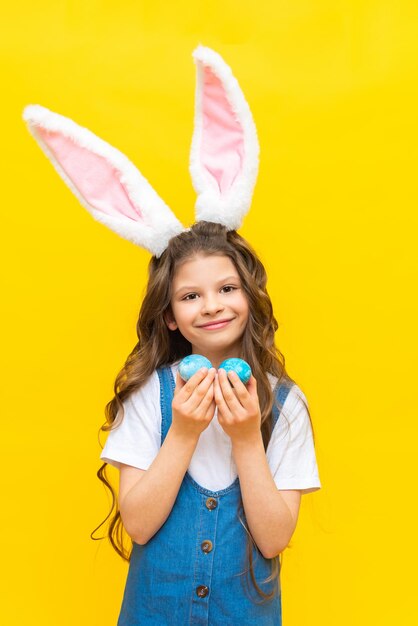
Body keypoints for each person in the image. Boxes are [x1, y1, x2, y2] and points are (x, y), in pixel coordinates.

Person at [23, 45, 321, 625]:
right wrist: (184, 429)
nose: (212, 305)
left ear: (251, 294)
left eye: (226, 288)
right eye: (190, 296)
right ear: (169, 315)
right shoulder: (148, 398)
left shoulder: (286, 405)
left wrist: (243, 438)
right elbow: (138, 523)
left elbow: (274, 537)